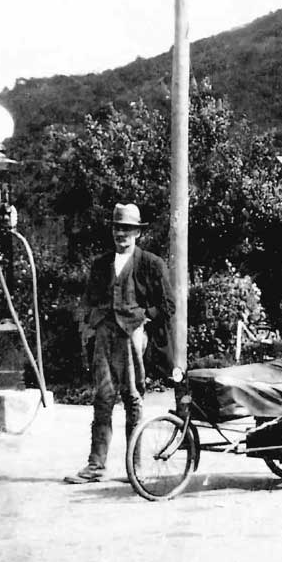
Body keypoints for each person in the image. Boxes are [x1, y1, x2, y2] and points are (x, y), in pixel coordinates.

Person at [64, 203, 174, 484]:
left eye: (127, 229)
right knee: (103, 397)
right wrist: (91, 323)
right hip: (105, 336)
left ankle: (134, 467)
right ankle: (96, 465)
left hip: (133, 336)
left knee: (133, 397)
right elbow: (88, 300)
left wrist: (144, 319)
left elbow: (168, 304)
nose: (120, 233)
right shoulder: (101, 264)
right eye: (116, 228)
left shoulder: (151, 263)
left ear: (137, 233)